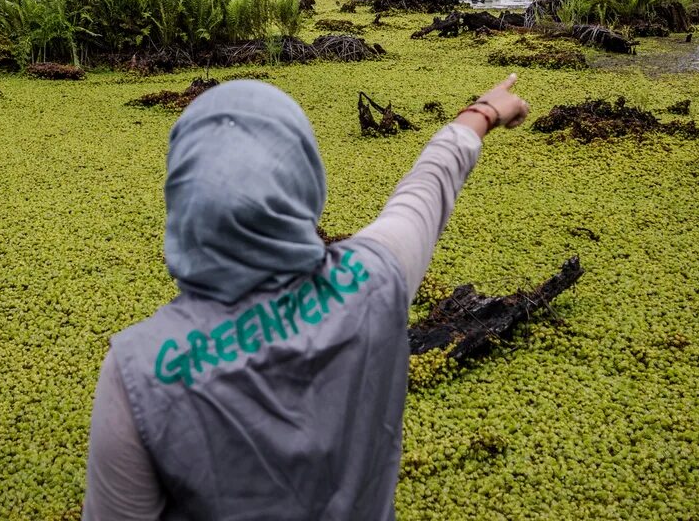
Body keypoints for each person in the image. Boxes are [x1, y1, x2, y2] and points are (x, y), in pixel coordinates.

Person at [84, 74, 530, 520]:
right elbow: (428, 189)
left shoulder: (138, 373)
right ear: (303, 180)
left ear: (181, 192)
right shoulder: (374, 278)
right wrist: (484, 112)